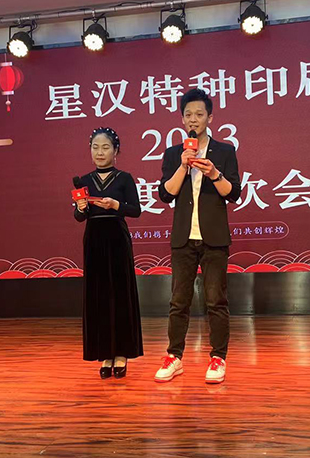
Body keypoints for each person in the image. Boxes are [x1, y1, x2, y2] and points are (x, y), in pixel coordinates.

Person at [154, 89, 242, 384]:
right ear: (182, 119)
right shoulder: (173, 154)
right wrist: (183, 165)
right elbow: (166, 194)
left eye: (199, 114)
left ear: (210, 118)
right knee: (179, 301)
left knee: (216, 300)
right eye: (188, 115)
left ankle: (218, 358)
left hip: (214, 237)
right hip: (183, 238)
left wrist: (214, 173)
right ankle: (174, 357)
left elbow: (234, 194)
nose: (194, 120)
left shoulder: (225, 151)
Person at [74, 127, 143, 379]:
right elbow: (78, 217)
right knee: (99, 296)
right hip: (94, 239)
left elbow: (135, 210)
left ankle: (122, 353)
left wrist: (116, 205)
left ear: (116, 151)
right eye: (95, 147)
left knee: (120, 295)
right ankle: (105, 354)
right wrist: (81, 207)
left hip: (117, 238)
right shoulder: (84, 180)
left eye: (105, 147)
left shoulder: (124, 178)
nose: (100, 152)